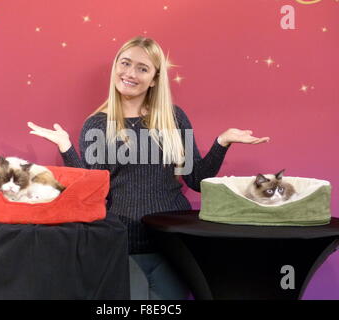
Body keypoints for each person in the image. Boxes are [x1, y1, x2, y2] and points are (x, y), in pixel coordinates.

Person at [27, 36, 270, 300]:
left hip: (173, 245)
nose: (130, 73)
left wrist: (222, 142)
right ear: (115, 68)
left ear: (154, 78)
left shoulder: (173, 118)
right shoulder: (97, 125)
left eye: (142, 68)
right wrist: (66, 148)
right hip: (121, 245)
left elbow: (197, 180)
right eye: (125, 63)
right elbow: (91, 191)